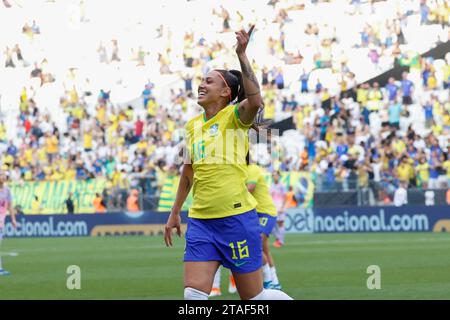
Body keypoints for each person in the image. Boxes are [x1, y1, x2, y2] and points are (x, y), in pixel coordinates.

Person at [164, 24, 292, 301]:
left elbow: (255, 101)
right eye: (202, 80)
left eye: (209, 81)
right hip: (200, 221)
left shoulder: (236, 117)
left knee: (254, 299)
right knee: (193, 297)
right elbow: (188, 171)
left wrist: (242, 56)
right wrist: (175, 211)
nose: (201, 84)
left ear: (225, 92)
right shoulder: (192, 126)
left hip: (236, 220)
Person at [0, 174, 17, 276]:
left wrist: (13, 220)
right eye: (1, 175)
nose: (3, 177)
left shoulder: (7, 190)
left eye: (4, 175)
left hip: (1, 221)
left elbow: (10, 206)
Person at [270, 171, 287, 248]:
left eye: (276, 175)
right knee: (271, 225)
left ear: (279, 176)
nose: (275, 177)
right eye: (273, 175)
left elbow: (285, 197)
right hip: (273, 208)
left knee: (280, 223)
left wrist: (282, 207)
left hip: (280, 207)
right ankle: (279, 239)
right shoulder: (271, 186)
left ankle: (280, 241)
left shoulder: (282, 186)